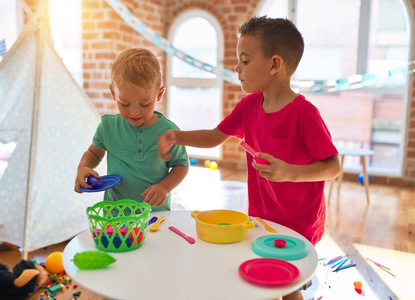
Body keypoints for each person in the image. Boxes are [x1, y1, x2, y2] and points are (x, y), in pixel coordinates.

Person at [158, 16, 340, 299]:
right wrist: (176, 136)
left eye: (244, 60)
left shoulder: (304, 114)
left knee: (288, 289)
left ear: (274, 64)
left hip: (299, 224)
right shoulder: (248, 106)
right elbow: (215, 135)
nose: (236, 68)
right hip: (262, 218)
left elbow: (333, 166)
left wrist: (289, 172)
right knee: (264, 284)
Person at [75, 48, 189, 212]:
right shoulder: (107, 127)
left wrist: (164, 187)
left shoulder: (169, 132)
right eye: (125, 103)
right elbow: (93, 153)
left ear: (159, 94)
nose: (134, 112)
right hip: (115, 215)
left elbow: (181, 165)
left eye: (144, 104)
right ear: (113, 93)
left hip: (154, 216)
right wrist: (83, 167)